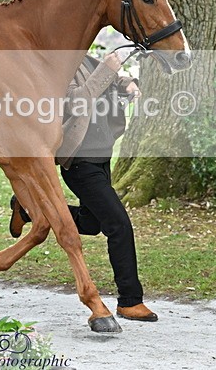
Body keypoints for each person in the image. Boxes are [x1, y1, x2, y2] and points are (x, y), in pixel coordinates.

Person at [9, 51, 158, 322]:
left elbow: (113, 80)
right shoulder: (58, 67)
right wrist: (108, 69)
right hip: (80, 164)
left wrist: (128, 84)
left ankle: (29, 210)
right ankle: (130, 301)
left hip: (102, 158)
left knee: (92, 224)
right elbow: (75, 102)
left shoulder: (87, 59)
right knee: (118, 225)